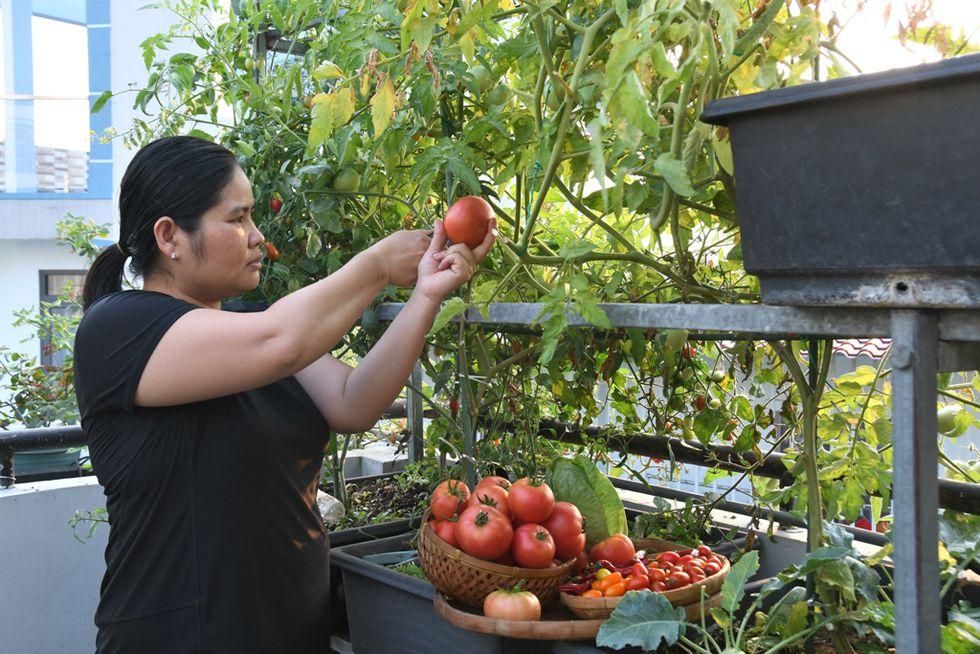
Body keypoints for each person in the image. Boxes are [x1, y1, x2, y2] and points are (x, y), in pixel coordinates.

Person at [73, 135, 495, 653]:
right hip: (180, 637)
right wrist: (377, 266)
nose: (257, 236)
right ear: (170, 237)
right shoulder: (118, 330)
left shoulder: (254, 324)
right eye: (237, 219)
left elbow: (354, 400)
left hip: (293, 628)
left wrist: (425, 295)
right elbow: (282, 341)